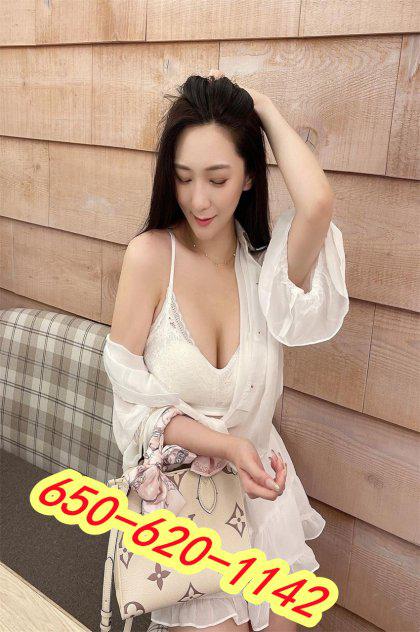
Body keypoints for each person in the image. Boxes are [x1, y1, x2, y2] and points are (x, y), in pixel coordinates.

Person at [103, 71, 349, 632]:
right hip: (186, 507)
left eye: (218, 178)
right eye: (183, 177)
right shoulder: (150, 258)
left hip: (264, 500)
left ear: (248, 177)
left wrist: (260, 107)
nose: (198, 199)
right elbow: (133, 410)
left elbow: (317, 204)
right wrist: (228, 445)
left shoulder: (266, 270)